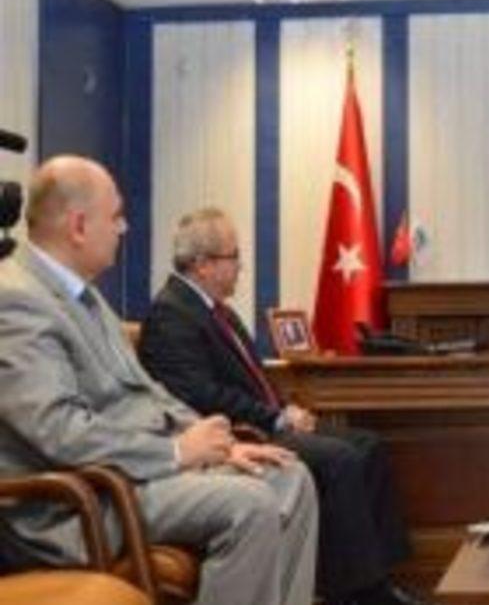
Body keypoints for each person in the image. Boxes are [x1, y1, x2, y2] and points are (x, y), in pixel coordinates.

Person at [0, 155, 318, 605]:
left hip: (126, 476)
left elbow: (147, 392)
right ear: (78, 226)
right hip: (74, 504)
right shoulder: (15, 299)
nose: (124, 227)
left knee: (290, 477)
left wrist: (219, 445)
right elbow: (60, 432)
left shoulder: (85, 295)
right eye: (116, 216)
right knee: (250, 505)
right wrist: (175, 453)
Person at [137, 207, 421, 605]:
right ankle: (355, 592)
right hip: (240, 434)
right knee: (339, 460)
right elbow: (201, 396)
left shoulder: (218, 311)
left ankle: (379, 578)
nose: (241, 267)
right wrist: (274, 418)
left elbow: (252, 378)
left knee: (368, 445)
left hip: (264, 422)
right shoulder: (171, 314)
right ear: (202, 264)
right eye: (234, 256)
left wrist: (287, 409)